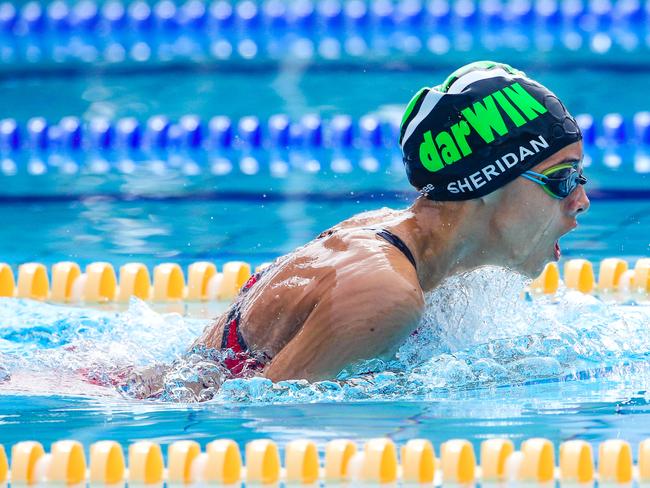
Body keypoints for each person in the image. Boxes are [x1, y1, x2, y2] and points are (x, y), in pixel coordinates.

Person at [138, 61, 590, 396]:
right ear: (489, 182)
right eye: (563, 179)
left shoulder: (399, 244)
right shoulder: (384, 292)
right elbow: (256, 419)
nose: (581, 202)